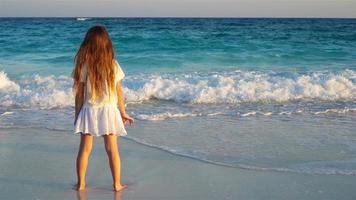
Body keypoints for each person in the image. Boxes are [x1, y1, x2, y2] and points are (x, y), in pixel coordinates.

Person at [72, 25, 134, 192]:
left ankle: (81, 184)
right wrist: (123, 112)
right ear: (107, 44)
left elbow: (79, 94)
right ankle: (116, 184)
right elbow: (119, 91)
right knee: (112, 150)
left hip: (89, 110)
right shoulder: (113, 65)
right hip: (109, 111)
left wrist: (77, 115)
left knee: (84, 149)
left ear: (88, 44)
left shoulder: (85, 65)